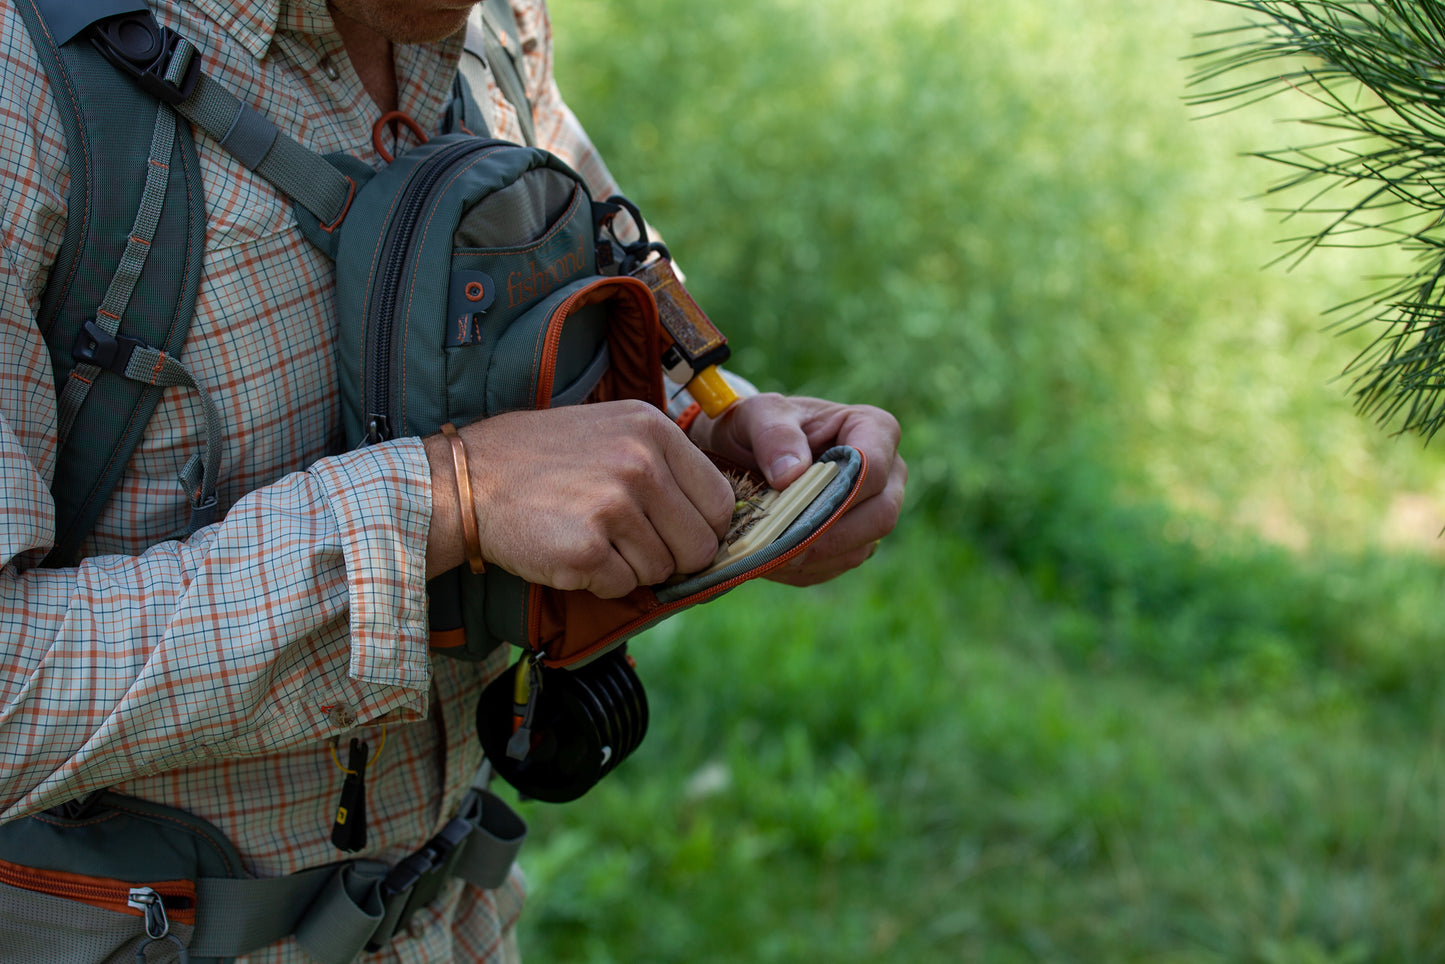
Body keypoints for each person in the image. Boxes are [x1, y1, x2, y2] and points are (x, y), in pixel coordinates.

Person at [0, 0, 906, 959]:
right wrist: (442, 501)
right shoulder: (27, 81)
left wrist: (713, 441)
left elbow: (594, 260)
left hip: (461, 923)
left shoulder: (493, 24)